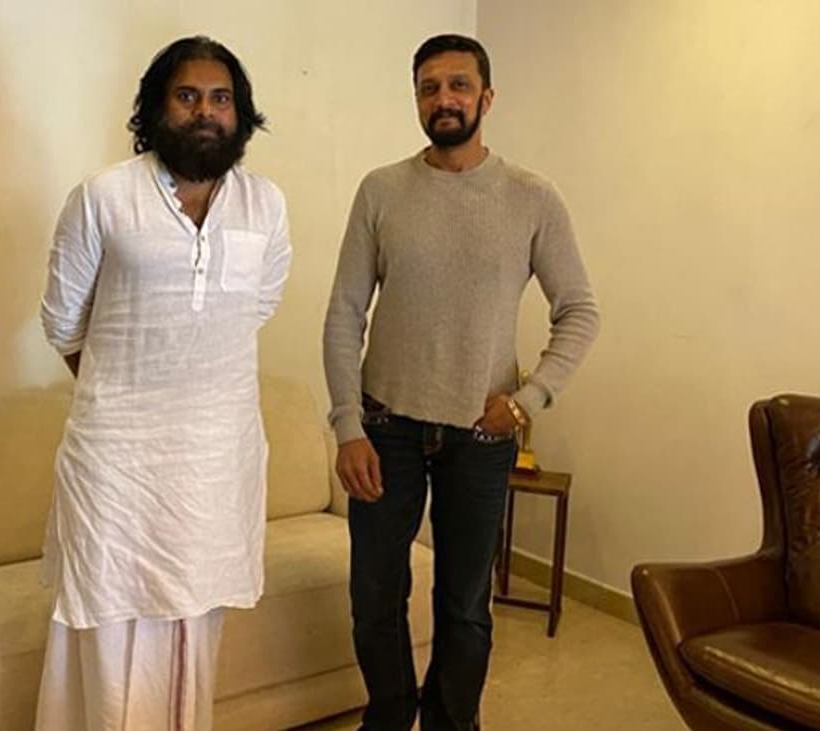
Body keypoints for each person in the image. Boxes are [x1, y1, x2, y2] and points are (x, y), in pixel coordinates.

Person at [322, 33, 600, 731]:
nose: (443, 99)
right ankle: (389, 718)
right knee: (374, 598)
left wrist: (529, 400)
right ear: (416, 99)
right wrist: (347, 424)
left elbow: (579, 310)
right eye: (429, 88)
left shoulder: (532, 197)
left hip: (480, 437)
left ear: (486, 97)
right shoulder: (381, 190)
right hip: (384, 428)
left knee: (466, 606)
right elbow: (345, 312)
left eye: (458, 85)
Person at [35, 35, 291, 731]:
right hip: (118, 467)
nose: (205, 111)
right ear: (156, 107)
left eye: (221, 98)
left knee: (193, 629)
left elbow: (257, 306)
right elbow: (63, 321)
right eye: (187, 96)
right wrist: (129, 393)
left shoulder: (265, 206)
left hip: (216, 465)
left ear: (240, 114)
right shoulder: (104, 196)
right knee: (107, 626)